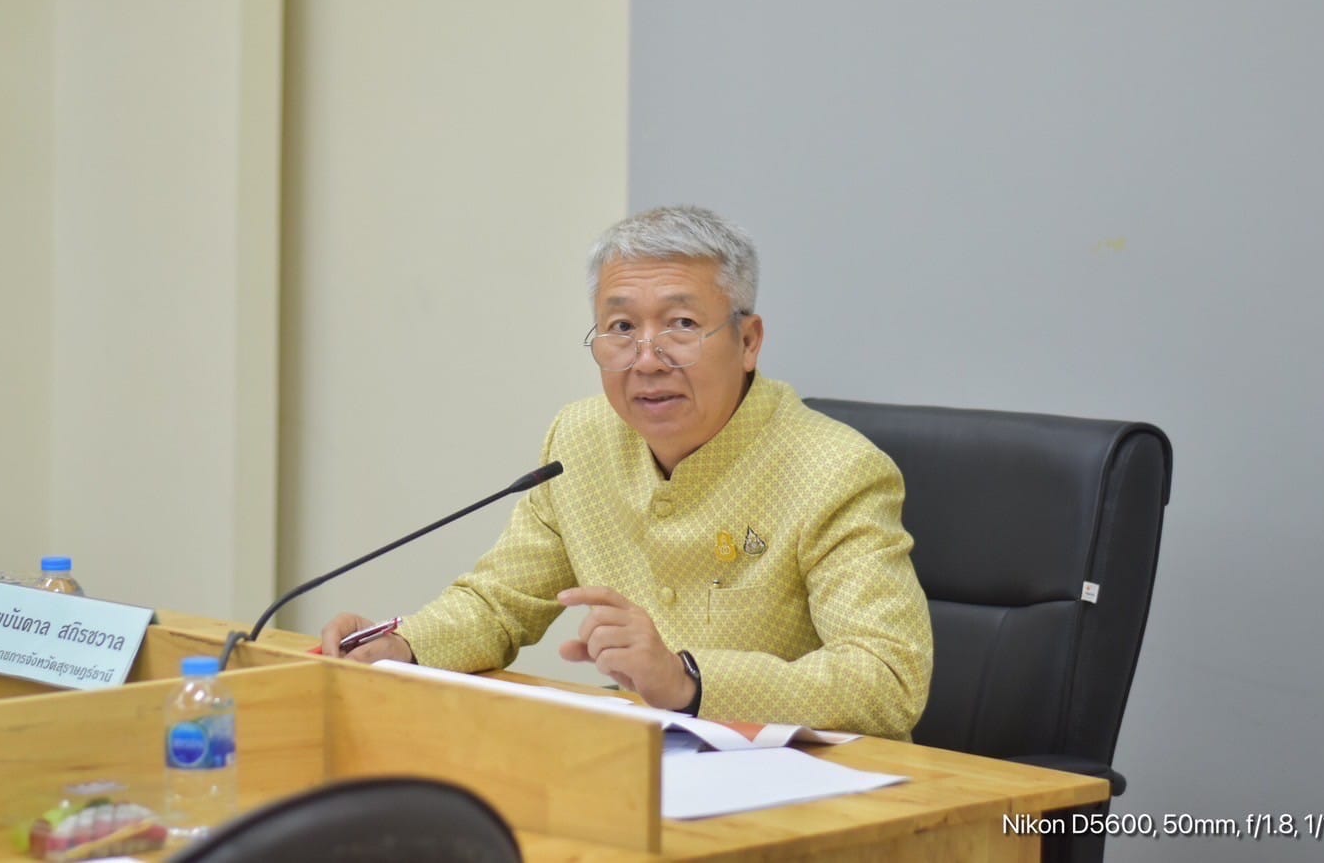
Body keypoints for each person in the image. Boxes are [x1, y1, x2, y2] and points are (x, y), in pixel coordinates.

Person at [321, 206, 932, 737]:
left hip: (815, 793)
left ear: (749, 341)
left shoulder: (834, 470)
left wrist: (687, 679)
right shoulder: (581, 441)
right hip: (643, 766)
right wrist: (402, 647)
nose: (647, 360)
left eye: (682, 325)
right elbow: (499, 603)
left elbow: (889, 678)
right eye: (621, 328)